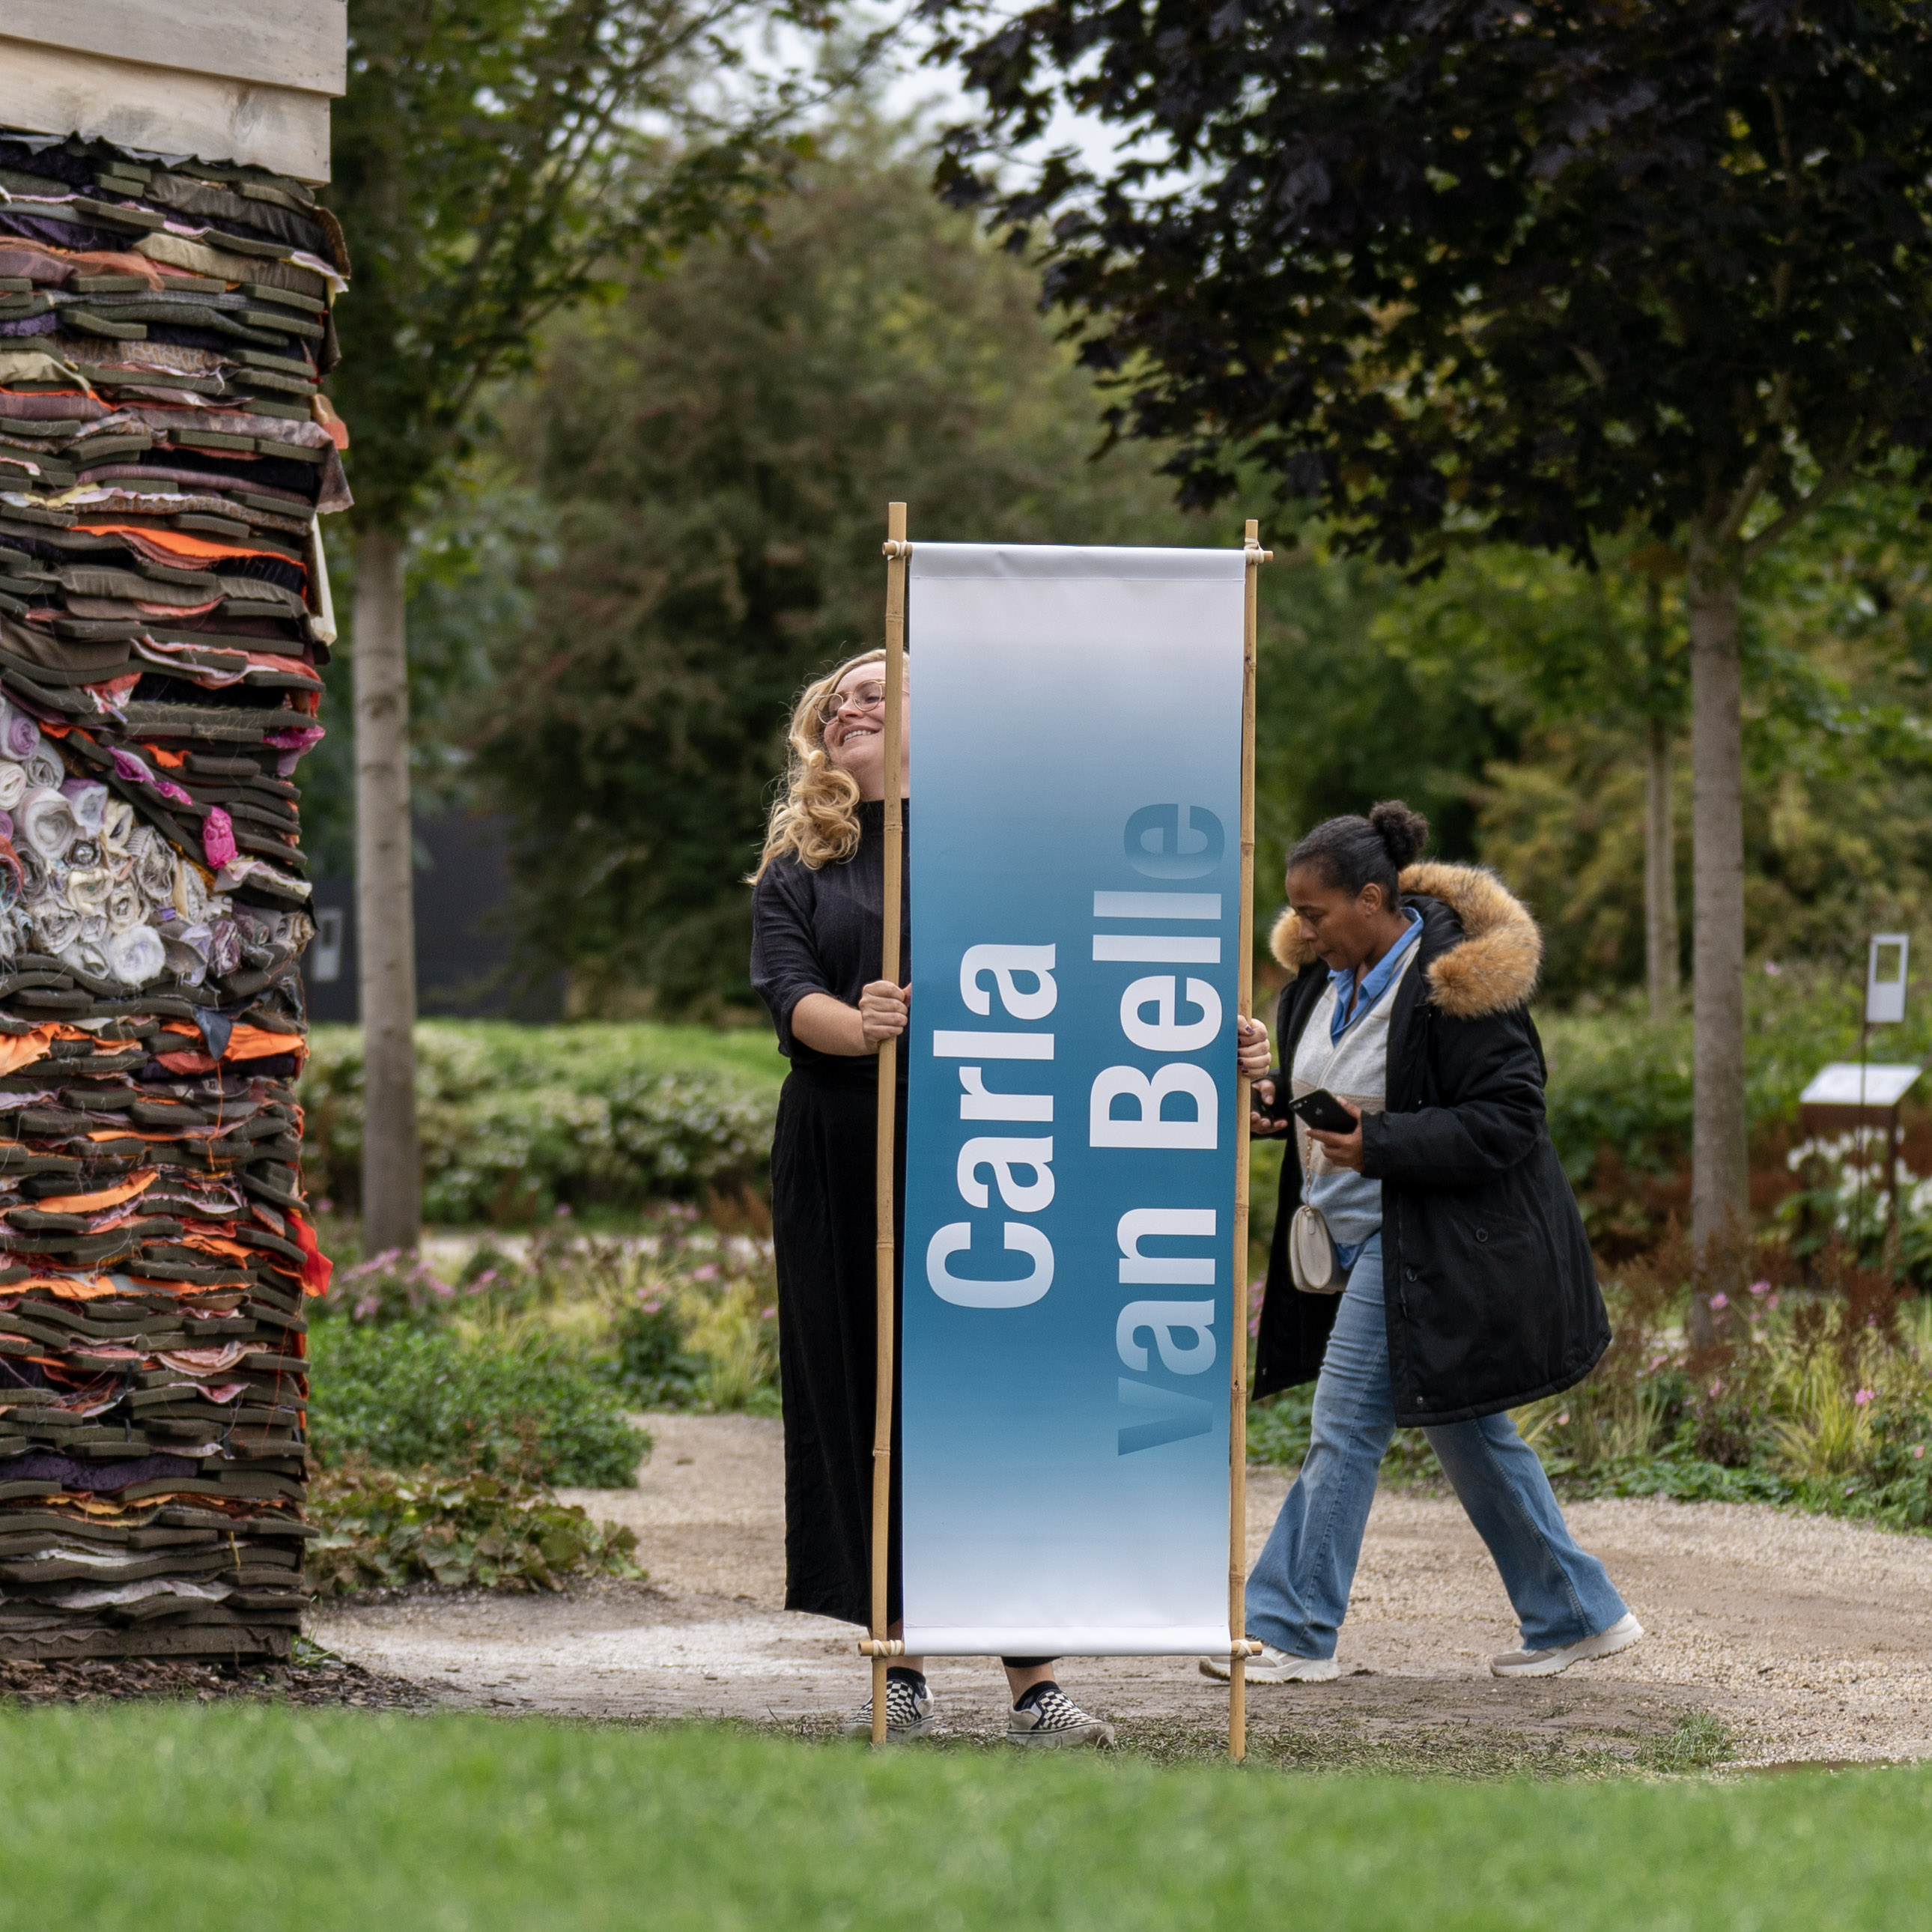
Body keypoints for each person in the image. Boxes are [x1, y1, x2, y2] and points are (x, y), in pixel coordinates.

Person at [753, 651, 1274, 1743]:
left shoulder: (1005, 850)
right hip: (847, 1146)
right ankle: (896, 1662)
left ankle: (1035, 1684)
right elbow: (790, 994)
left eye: (882, 687)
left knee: (986, 1399)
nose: (857, 703)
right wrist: (863, 1028)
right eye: (843, 693)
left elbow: (1096, 983)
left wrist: (1213, 1039)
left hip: (987, 1150)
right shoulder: (803, 858)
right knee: (870, 1395)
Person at [1202, 801, 1641, 1686]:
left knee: (1343, 1426)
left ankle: (1289, 1629)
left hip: (1431, 1248)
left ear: (1373, 899)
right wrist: (1278, 1103)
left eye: (1317, 914)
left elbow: (1510, 1118)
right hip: (1362, 1244)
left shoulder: (1457, 987)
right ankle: (1576, 1614)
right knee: (1467, 1430)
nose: (1304, 931)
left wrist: (1386, 1140)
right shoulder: (1319, 989)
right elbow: (1336, 1094)